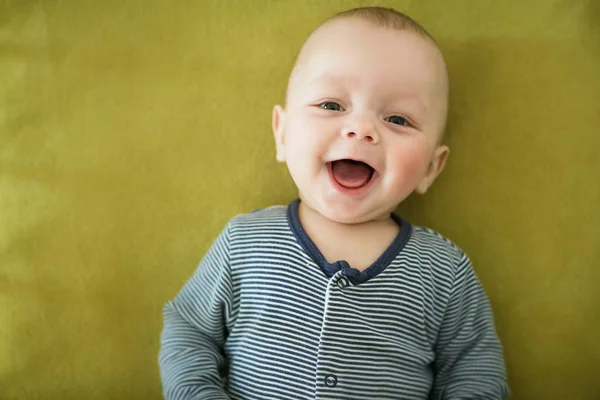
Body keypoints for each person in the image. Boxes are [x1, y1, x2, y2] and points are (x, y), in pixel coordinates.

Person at [159, 6, 510, 400]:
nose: (360, 129)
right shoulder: (245, 242)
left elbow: (476, 373)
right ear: (283, 133)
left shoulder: (444, 271)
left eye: (398, 119)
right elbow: (189, 328)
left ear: (431, 166)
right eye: (331, 105)